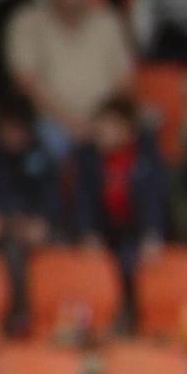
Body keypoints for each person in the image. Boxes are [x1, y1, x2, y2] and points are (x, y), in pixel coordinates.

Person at [3, 0, 134, 156]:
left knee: (136, 133)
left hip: (106, 119)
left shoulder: (109, 20)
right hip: (48, 120)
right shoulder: (26, 20)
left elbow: (125, 80)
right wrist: (72, 123)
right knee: (53, 140)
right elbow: (25, 81)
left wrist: (105, 120)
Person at [66, 97, 169, 277]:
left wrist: (152, 235)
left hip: (135, 231)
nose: (102, 130)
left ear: (128, 130)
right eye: (101, 124)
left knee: (135, 261)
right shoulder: (87, 157)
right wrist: (87, 232)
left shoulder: (146, 155)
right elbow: (82, 200)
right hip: (103, 231)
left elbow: (155, 199)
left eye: (110, 125)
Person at [0, 91, 61, 261]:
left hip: (31, 228)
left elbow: (53, 198)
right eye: (7, 128)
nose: (12, 135)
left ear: (28, 128)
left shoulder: (41, 156)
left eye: (17, 129)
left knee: (57, 245)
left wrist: (42, 220)